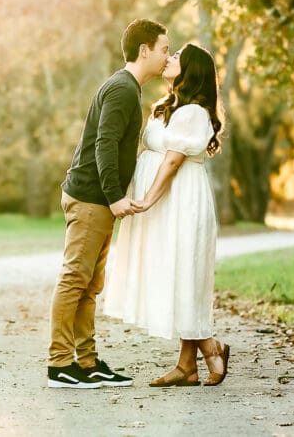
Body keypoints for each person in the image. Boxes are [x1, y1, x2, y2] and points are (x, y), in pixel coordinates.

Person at [47, 19, 170, 389]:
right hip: (91, 198)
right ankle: (59, 365)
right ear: (144, 50)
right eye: (164, 48)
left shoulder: (127, 89)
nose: (167, 56)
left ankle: (86, 362)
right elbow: (104, 144)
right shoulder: (121, 90)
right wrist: (115, 196)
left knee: (88, 285)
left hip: (96, 201)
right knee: (74, 280)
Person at [104, 42, 230, 387]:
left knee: (184, 272)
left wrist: (146, 199)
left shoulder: (193, 112)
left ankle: (208, 346)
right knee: (176, 273)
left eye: (177, 57)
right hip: (169, 200)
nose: (169, 58)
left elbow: (173, 161)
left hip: (180, 199)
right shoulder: (173, 105)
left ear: (192, 70)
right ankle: (188, 364)